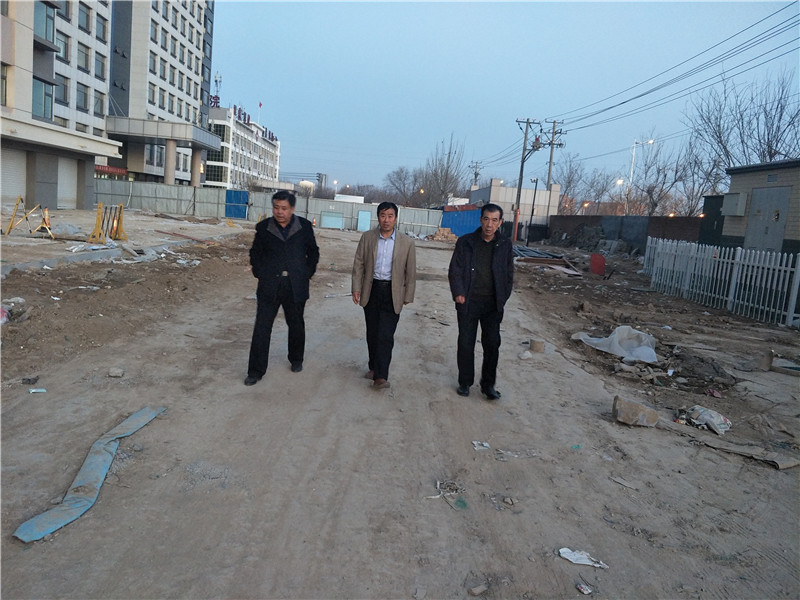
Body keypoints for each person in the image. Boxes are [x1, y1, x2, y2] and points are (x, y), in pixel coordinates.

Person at [245, 191, 319, 386]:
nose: (279, 212)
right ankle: (255, 371)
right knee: (262, 327)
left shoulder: (303, 227)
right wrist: (260, 273)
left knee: (296, 325)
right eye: (276, 207)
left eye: (284, 208)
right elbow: (255, 253)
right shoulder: (264, 227)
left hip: (295, 285)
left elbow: (313, 252)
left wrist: (306, 273)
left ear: (292, 209)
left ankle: (296, 359)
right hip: (269, 285)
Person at [448, 203, 514, 400]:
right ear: (480, 220)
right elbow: (455, 270)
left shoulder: (505, 245)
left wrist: (503, 296)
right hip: (468, 301)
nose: (489, 225)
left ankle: (488, 385)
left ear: (500, 223)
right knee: (466, 343)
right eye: (486, 219)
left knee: (492, 344)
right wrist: (459, 292)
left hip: (493, 304)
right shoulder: (466, 242)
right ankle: (465, 382)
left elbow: (508, 274)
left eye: (494, 220)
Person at [351, 202, 416, 389]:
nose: (386, 220)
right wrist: (356, 288)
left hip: (392, 292)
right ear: (378, 217)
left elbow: (410, 271)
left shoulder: (406, 243)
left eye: (390, 216)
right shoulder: (368, 238)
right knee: (372, 333)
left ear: (395, 218)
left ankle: (381, 376)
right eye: (382, 215)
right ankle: (373, 367)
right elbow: (359, 264)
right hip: (371, 290)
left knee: (385, 335)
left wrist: (408, 294)